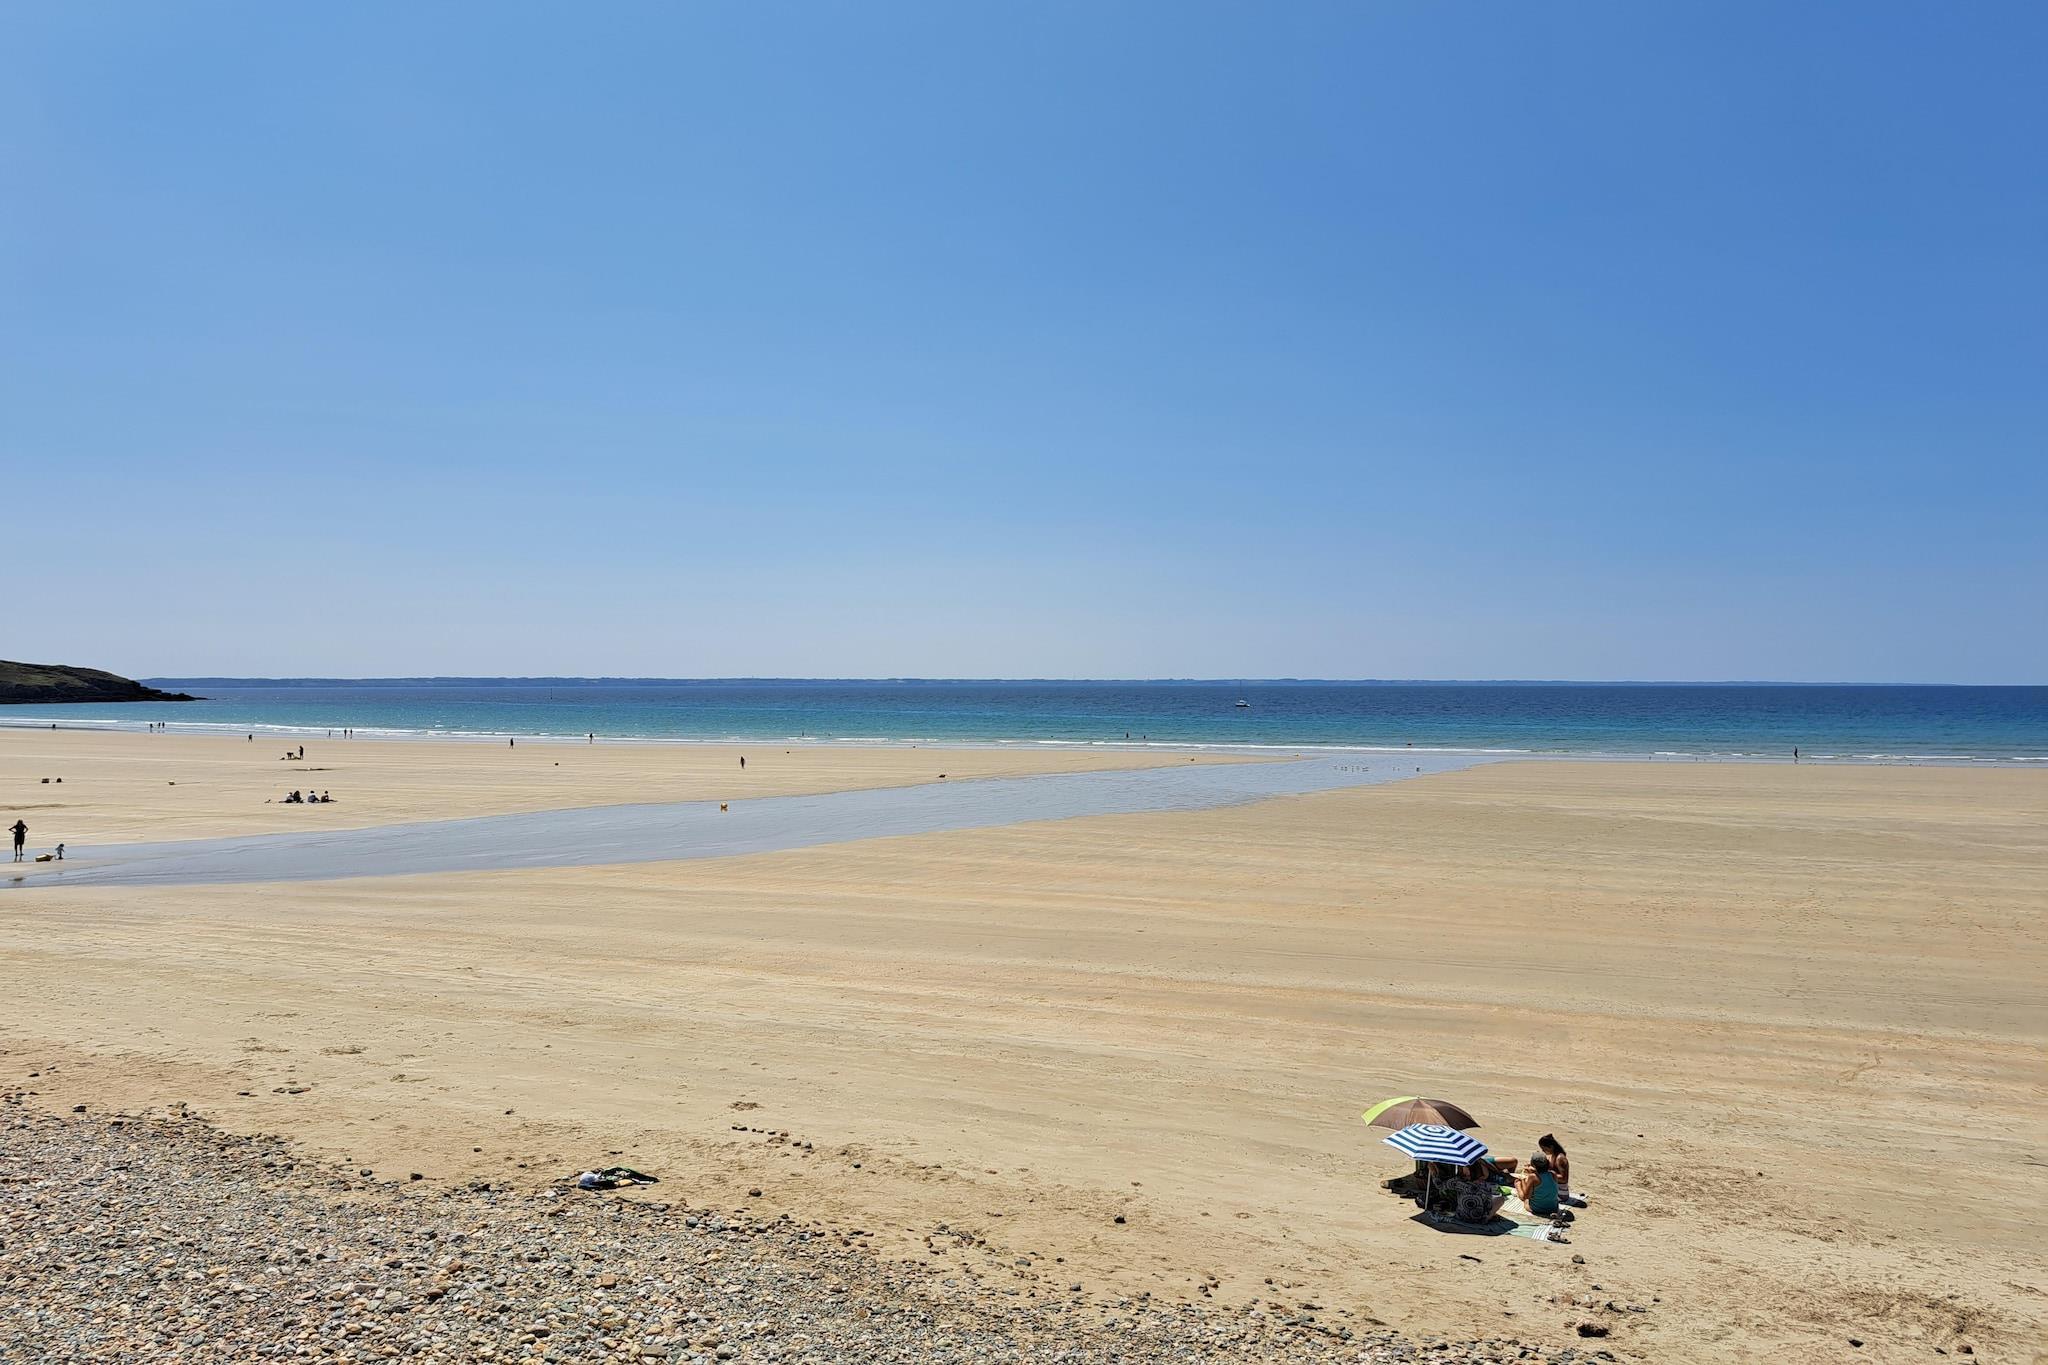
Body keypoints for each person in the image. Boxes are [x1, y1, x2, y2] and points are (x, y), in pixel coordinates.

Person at [1537, 1134, 1575, 1202]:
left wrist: (1546, 1174)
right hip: (1554, 1189)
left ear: (1551, 1147)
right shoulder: (1553, 1155)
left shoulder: (1560, 1158)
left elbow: (1564, 1179)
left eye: (1544, 1149)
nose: (1543, 1151)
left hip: (1561, 1194)